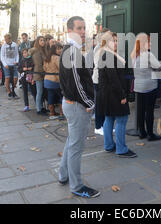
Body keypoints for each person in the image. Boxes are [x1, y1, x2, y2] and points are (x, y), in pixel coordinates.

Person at [58, 16, 100, 198]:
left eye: (84, 28)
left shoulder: (72, 50)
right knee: (76, 146)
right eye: (79, 28)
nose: (83, 31)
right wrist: (89, 103)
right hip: (77, 106)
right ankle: (77, 186)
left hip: (72, 103)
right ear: (70, 31)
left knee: (71, 142)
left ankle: (63, 174)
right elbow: (76, 83)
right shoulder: (72, 52)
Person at [98, 31, 136, 158]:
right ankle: (121, 149)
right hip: (114, 94)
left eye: (116, 40)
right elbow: (113, 79)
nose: (115, 43)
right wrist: (122, 96)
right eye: (112, 41)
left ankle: (109, 145)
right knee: (122, 119)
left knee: (109, 118)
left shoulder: (108, 55)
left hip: (108, 94)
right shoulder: (108, 56)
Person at [132, 33, 161, 141]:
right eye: (149, 41)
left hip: (138, 86)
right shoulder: (148, 55)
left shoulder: (134, 55)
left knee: (140, 110)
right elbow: (158, 67)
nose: (151, 43)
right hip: (149, 85)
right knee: (149, 110)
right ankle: (150, 134)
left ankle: (142, 132)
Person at [92, 28, 110, 135]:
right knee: (99, 104)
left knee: (104, 104)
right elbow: (100, 64)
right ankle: (98, 127)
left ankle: (104, 125)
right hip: (98, 79)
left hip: (103, 79)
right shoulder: (99, 48)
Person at [43, 42, 64, 119]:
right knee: (61, 96)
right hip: (55, 80)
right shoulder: (57, 58)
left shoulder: (47, 58)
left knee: (50, 97)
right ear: (53, 50)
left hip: (47, 80)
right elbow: (61, 69)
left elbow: (44, 69)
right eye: (58, 49)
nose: (60, 50)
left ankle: (52, 113)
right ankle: (62, 114)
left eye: (61, 48)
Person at [29, 36, 47, 114]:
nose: (43, 42)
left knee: (42, 92)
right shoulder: (36, 50)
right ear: (37, 41)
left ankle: (41, 107)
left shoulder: (42, 50)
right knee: (39, 92)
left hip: (42, 73)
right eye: (41, 40)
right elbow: (38, 64)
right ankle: (38, 109)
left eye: (44, 40)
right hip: (38, 73)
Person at [0, 33, 20, 99]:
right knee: (7, 78)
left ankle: (13, 90)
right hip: (7, 64)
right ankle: (9, 91)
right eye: (5, 39)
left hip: (13, 64)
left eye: (6, 39)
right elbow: (2, 56)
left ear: (10, 38)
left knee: (15, 78)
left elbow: (17, 54)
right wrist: (5, 64)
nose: (5, 40)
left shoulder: (15, 45)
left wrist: (17, 61)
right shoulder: (3, 46)